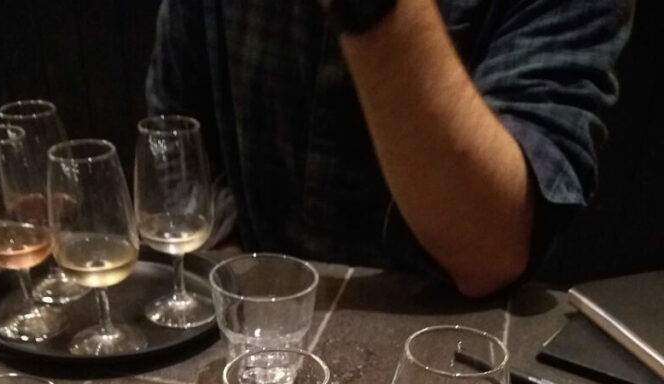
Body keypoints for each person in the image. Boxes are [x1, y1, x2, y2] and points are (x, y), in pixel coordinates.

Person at [146, 0, 634, 297]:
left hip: (452, 361)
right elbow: (174, 137)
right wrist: (245, 289)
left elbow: (493, 249)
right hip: (249, 333)